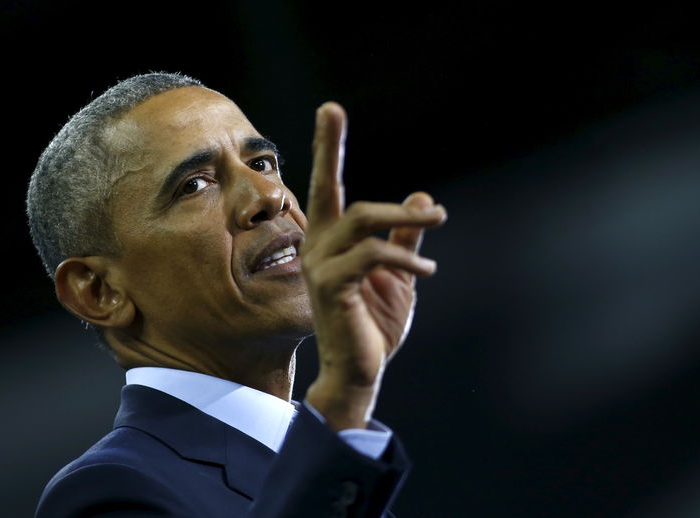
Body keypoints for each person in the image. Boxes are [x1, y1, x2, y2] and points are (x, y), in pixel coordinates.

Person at [27, 72, 446, 517]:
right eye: (195, 185)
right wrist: (342, 404)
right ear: (99, 291)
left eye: (262, 163)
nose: (269, 196)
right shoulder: (109, 494)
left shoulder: (334, 466)